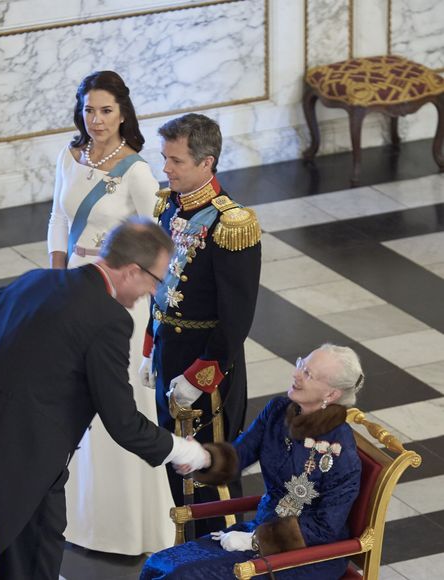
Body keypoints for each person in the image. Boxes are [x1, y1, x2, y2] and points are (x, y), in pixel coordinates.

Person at [0, 219, 214, 580]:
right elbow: (123, 422)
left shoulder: (39, 281)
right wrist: (186, 452)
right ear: (130, 271)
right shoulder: (109, 319)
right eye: (155, 280)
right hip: (20, 468)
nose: (153, 292)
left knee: (27, 561)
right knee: (20, 570)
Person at [47, 70, 175, 554]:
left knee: (116, 400)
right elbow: (59, 217)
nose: (95, 120)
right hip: (75, 287)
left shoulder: (137, 172)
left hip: (119, 295)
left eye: (105, 110)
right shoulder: (70, 155)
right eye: (88, 110)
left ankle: (131, 527)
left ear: (123, 112)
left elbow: (155, 243)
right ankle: (81, 519)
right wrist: (58, 274)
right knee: (76, 394)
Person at [141, 344, 365, 580]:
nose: (296, 374)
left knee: (184, 577)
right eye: (301, 364)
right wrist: (204, 457)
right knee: (160, 563)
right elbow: (241, 453)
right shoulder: (279, 411)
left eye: (308, 374)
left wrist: (256, 540)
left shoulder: (341, 453)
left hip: (306, 556)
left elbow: (325, 529)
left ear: (331, 395)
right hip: (262, 528)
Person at [139, 113, 262, 535]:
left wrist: (200, 376)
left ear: (206, 163)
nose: (165, 169)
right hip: (169, 355)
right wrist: (150, 348)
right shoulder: (168, 205)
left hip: (208, 368)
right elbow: (161, 286)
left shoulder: (232, 225)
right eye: (165, 158)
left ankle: (222, 555)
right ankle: (189, 552)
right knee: (177, 463)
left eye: (175, 161)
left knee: (210, 471)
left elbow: (236, 319)